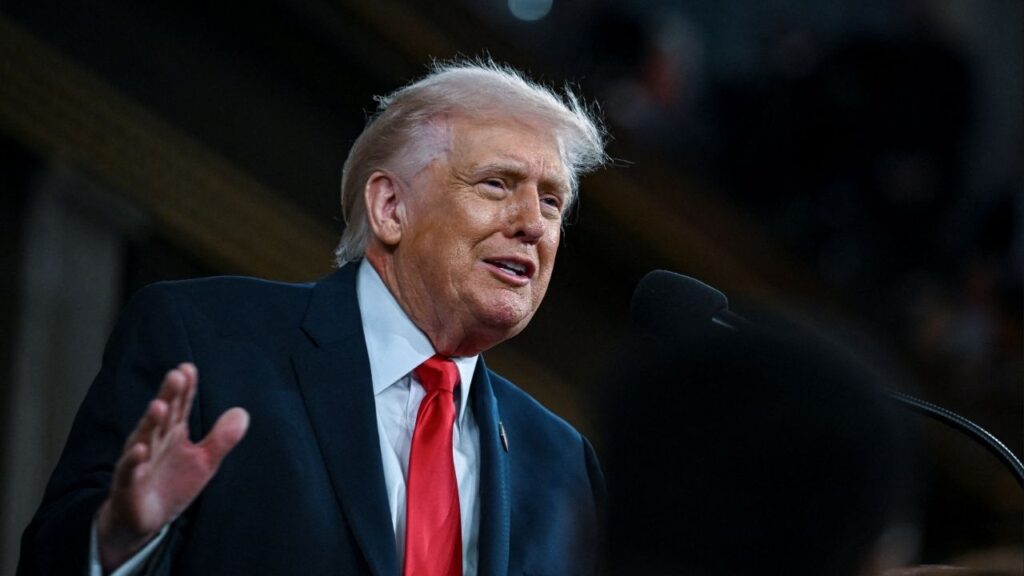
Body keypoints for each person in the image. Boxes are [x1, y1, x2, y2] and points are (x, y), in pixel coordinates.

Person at [18, 60, 608, 576]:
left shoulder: (560, 465)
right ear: (390, 208)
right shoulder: (205, 342)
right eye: (497, 184)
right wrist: (122, 542)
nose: (533, 222)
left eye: (552, 201)